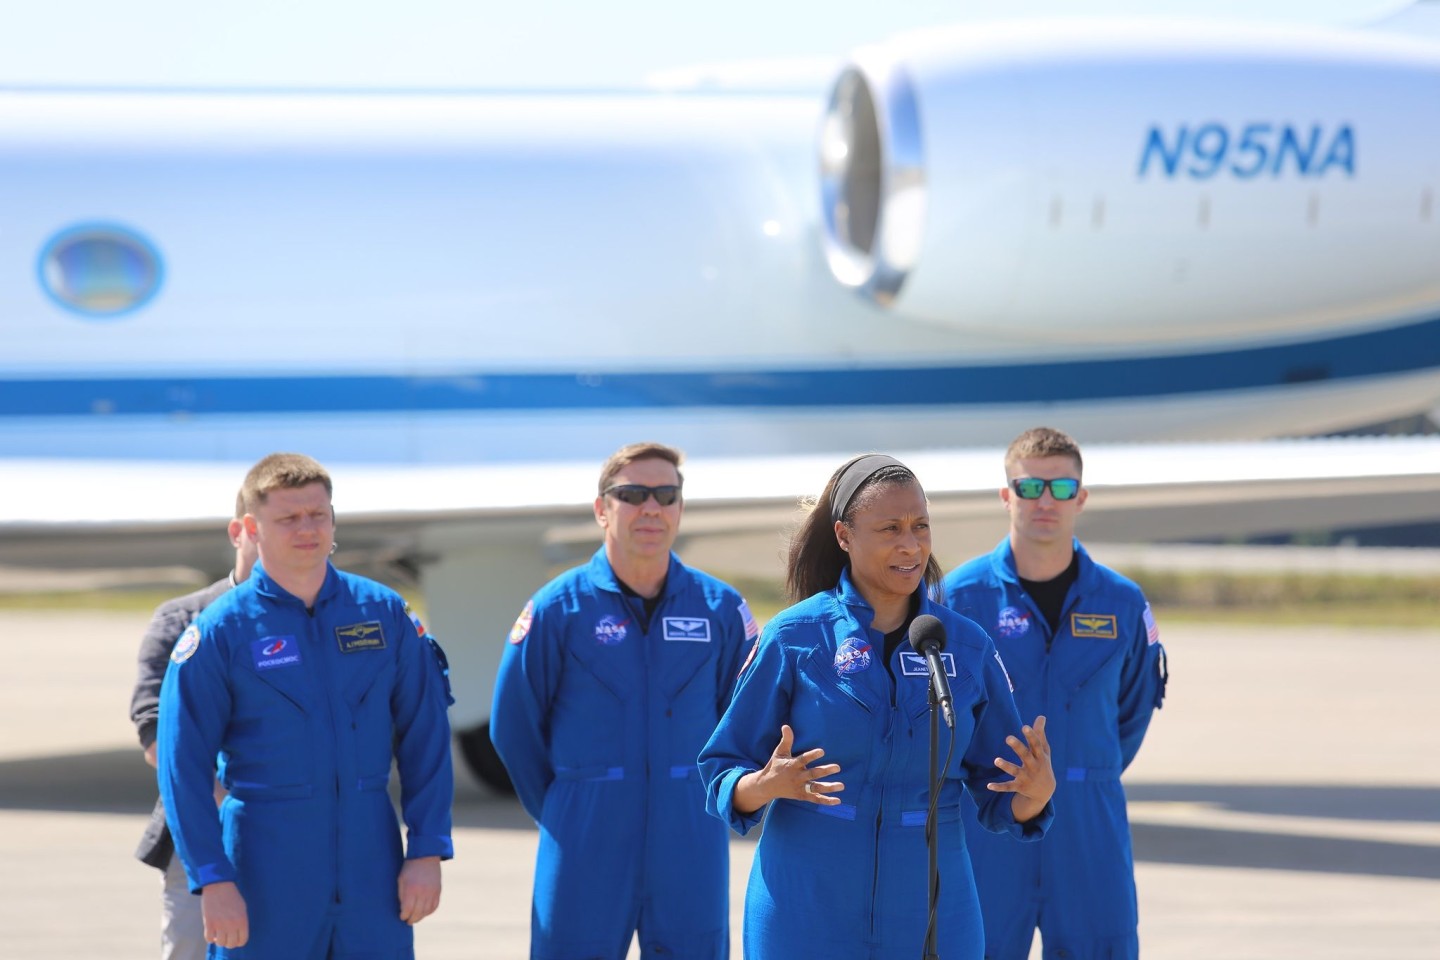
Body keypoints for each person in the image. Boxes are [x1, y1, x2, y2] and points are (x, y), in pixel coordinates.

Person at [698, 453, 1056, 959]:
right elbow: (721, 768)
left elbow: (1002, 794)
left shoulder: (966, 648)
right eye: (890, 528)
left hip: (934, 907)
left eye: (920, 526)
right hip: (807, 903)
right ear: (844, 536)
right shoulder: (794, 638)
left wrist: (1036, 794)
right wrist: (763, 785)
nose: (910, 544)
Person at [157, 452, 455, 958]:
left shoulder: (383, 614)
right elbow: (181, 765)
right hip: (263, 868)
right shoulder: (221, 631)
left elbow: (426, 737)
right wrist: (213, 880)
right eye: (288, 518)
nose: (307, 529)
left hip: (371, 866)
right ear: (253, 527)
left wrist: (426, 848)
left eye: (318, 514)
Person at [490, 441, 758, 960]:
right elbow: (513, 726)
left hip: (690, 836)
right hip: (584, 835)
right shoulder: (556, 610)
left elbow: (741, 720)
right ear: (601, 509)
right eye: (633, 494)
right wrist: (567, 806)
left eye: (666, 494)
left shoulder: (720, 609)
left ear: (680, 507)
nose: (651, 507)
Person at [943, 427, 1168, 960]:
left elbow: (1133, 712)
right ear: (1006, 496)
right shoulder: (958, 597)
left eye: (1062, 489)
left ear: (1081, 499)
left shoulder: (1121, 602)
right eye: (1029, 488)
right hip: (987, 825)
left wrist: (1085, 766)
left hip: (1088, 824)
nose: (1046, 501)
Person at [130, 491, 256, 960]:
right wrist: (236, 802)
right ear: (240, 531)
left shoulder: (326, 618)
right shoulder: (183, 619)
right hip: (199, 835)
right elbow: (157, 738)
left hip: (299, 832)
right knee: (190, 948)